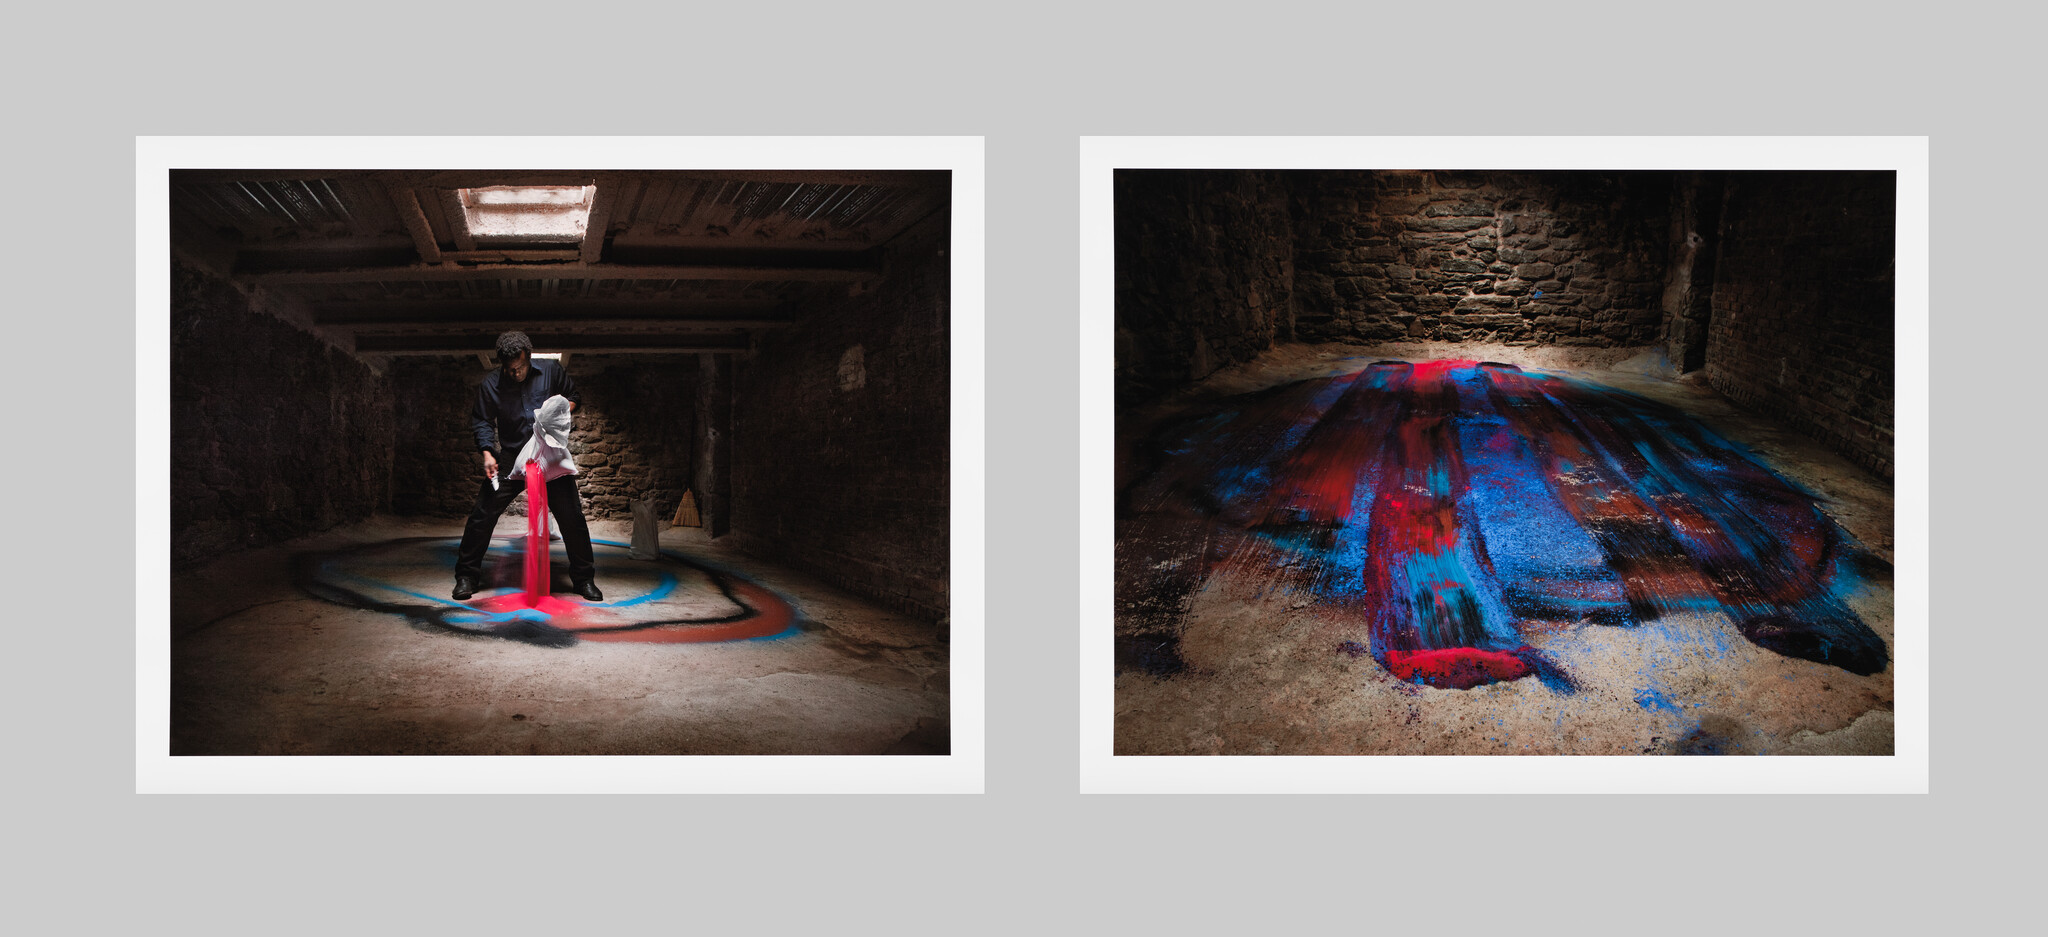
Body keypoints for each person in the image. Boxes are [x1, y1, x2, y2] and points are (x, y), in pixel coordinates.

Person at [452, 331, 602, 601]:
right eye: (510, 369)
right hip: (511, 457)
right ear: (502, 364)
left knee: (572, 517)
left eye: (520, 367)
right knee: (481, 516)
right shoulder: (491, 385)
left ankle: (584, 579)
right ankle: (466, 576)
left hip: (549, 455)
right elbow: (482, 421)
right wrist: (487, 452)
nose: (516, 373)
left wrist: (560, 409)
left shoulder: (551, 371)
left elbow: (574, 396)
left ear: (528, 358)